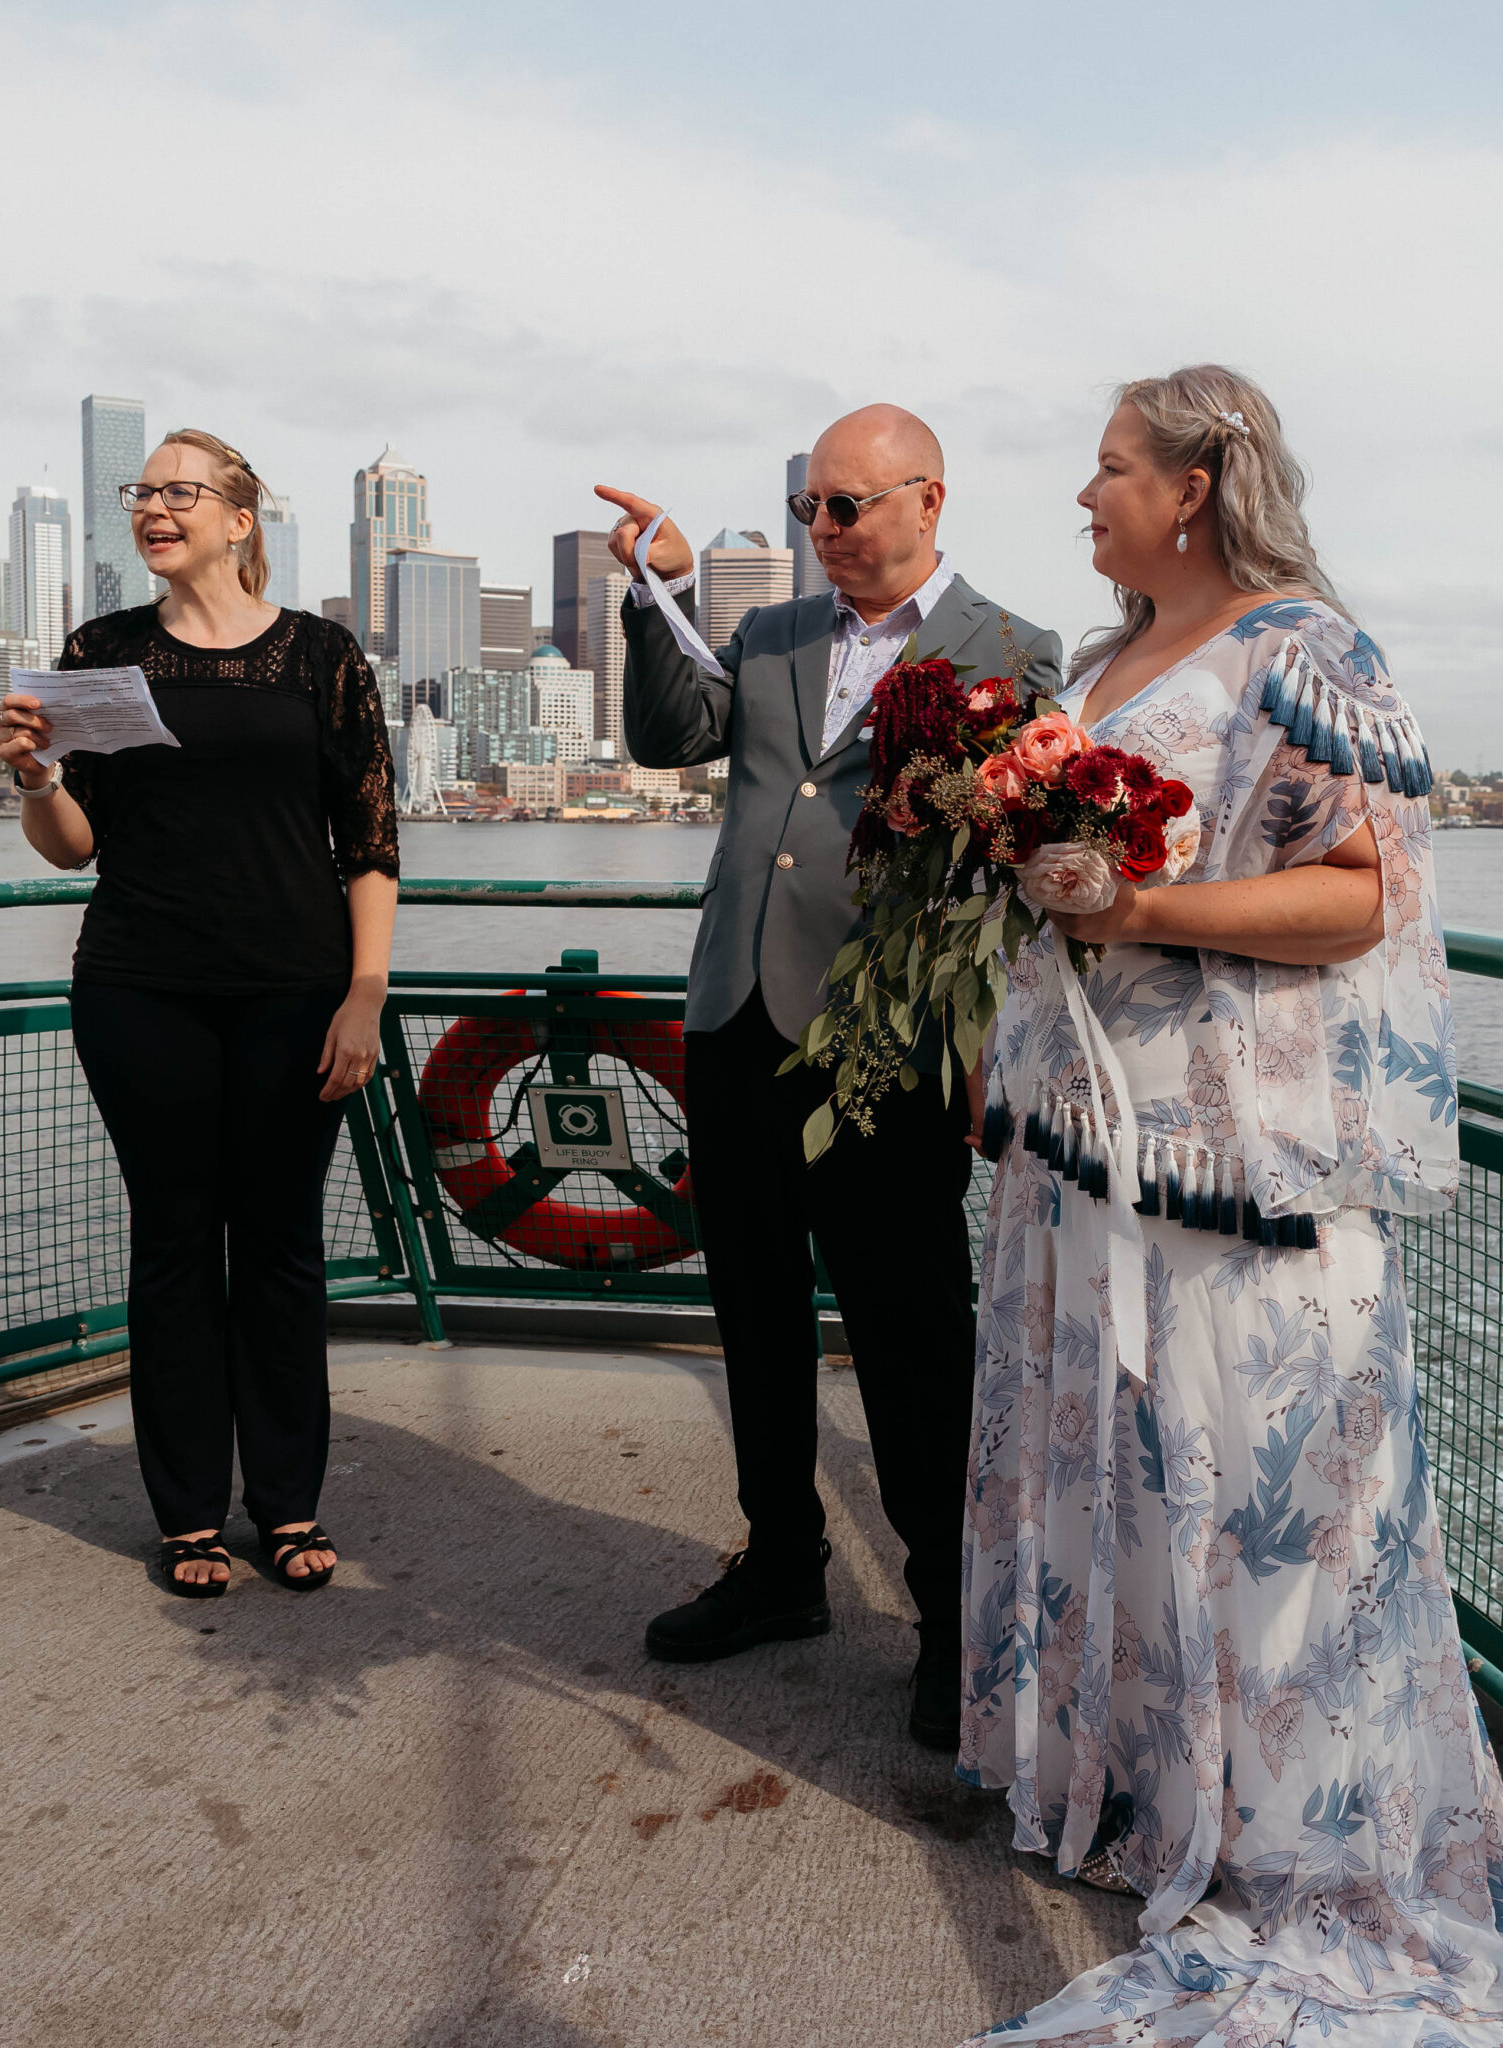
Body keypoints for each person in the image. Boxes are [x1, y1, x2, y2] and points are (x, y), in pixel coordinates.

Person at [956, 367, 1503, 2044]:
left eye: (1109, 467)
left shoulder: (1312, 654)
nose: (1085, 494)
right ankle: (1155, 1800)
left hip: (1232, 1171)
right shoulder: (1097, 666)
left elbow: (1360, 895)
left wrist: (1142, 906)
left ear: (1195, 482)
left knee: (1262, 1503)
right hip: (1086, 1152)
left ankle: (1304, 1846)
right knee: (1124, 1483)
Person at [595, 404, 1063, 1751]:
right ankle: (781, 1565)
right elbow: (668, 736)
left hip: (885, 1041)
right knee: (751, 1309)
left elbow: (1021, 869)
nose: (826, 531)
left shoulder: (1013, 654)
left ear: (928, 498)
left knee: (912, 1334)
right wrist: (660, 593)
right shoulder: (774, 635)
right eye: (810, 508)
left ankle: (949, 1615)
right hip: (737, 1017)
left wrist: (984, 1046)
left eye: (848, 507)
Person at [0, 428, 399, 1601]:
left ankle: (288, 1501)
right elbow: (76, 848)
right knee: (172, 1244)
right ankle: (185, 1512)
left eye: (181, 491)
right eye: (143, 491)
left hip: (297, 992)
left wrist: (365, 992)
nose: (154, 508)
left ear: (238, 518)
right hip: (139, 988)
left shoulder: (319, 656)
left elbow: (367, 841)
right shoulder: (99, 654)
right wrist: (34, 775)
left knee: (278, 1245)